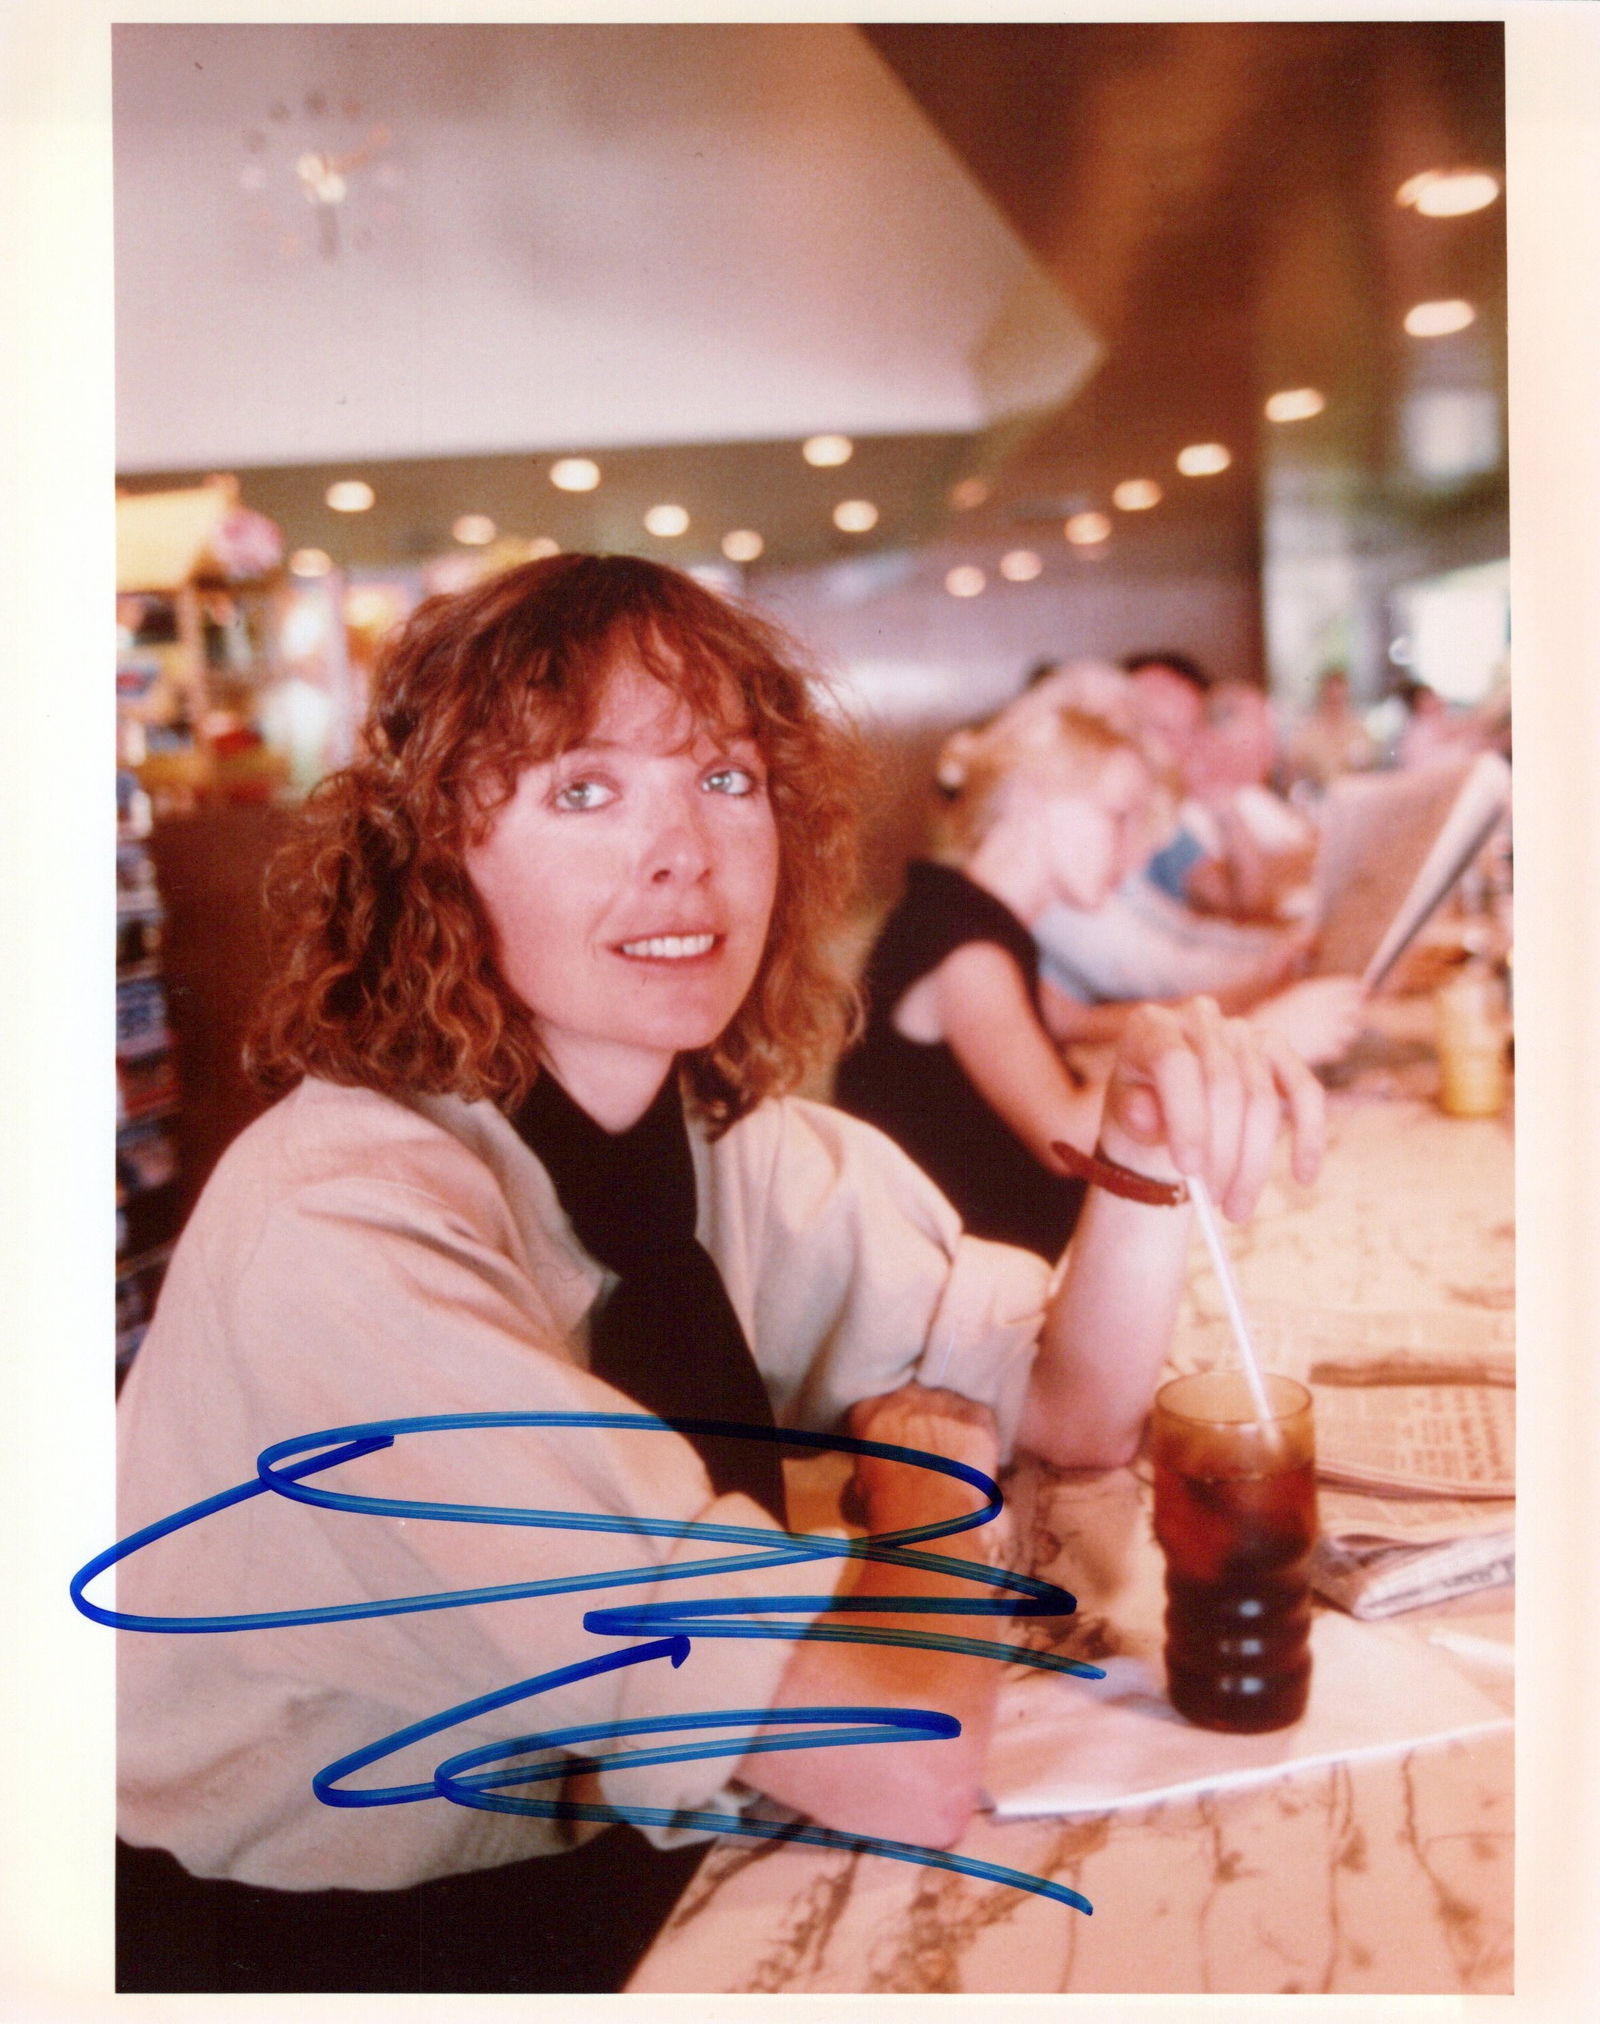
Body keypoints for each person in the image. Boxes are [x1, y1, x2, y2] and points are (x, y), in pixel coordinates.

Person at [111, 554, 1323, 1994]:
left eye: (726, 778)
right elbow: (902, 1760)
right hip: (331, 1947)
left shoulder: (701, 1137)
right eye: (584, 789)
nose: (682, 848)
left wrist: (1141, 1149)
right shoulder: (341, 1241)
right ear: (432, 855)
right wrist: (932, 1485)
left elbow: (1075, 1407)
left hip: (617, 1862)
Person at [835, 703, 1169, 1258]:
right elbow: (1065, 1138)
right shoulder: (969, 952)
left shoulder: (964, 914)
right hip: (971, 1280)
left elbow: (1079, 1021)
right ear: (1032, 797)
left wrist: (1228, 1015)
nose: (1134, 854)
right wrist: (1244, 1037)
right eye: (1119, 816)